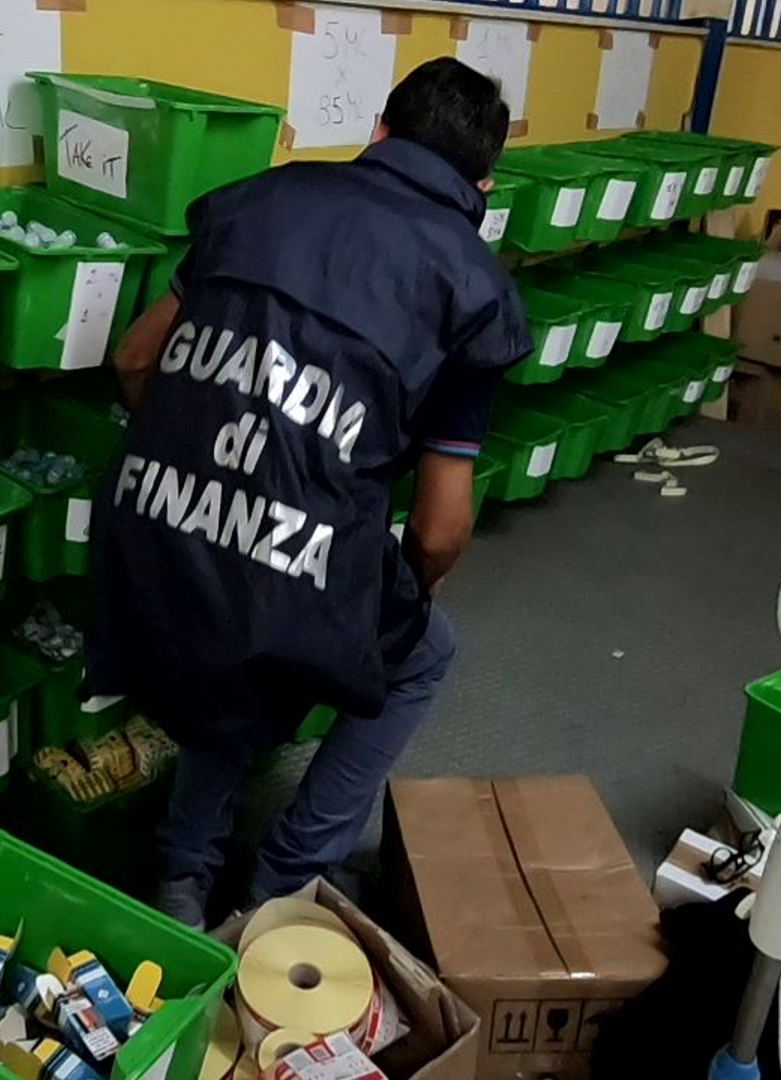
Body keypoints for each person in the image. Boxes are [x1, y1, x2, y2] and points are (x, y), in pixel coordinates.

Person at [83, 57, 533, 926]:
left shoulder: (257, 202)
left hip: (145, 528)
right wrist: (400, 597)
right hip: (292, 552)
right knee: (414, 651)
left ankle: (182, 880)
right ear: (483, 183)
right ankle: (284, 887)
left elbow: (136, 359)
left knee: (230, 630)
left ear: (379, 131)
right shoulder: (473, 289)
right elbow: (439, 531)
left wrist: (197, 460)